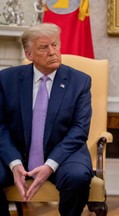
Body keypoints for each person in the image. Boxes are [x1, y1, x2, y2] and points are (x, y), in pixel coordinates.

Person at [0, 23, 93, 216]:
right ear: (29, 55)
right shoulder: (7, 80)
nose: (53, 52)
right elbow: (1, 125)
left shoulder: (79, 81)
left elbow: (79, 129)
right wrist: (14, 162)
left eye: (55, 45)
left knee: (77, 177)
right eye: (44, 47)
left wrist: (50, 165)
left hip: (64, 153)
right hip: (18, 152)